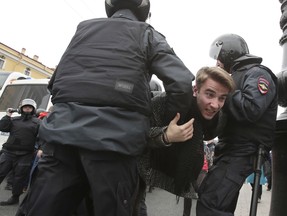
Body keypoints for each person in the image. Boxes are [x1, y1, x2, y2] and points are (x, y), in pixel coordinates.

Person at [16, 1, 194, 215]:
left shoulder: (83, 30)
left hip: (61, 140)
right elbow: (182, 83)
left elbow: (54, 84)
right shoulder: (147, 33)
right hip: (115, 147)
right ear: (144, 11)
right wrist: (166, 121)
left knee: (42, 208)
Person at [136, 66, 235, 216]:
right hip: (140, 176)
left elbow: (211, 134)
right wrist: (165, 136)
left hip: (182, 183)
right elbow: (135, 135)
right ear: (195, 90)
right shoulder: (165, 102)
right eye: (209, 94)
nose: (215, 105)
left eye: (222, 98)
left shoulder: (218, 119)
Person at [196, 33, 278, 216]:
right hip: (229, 149)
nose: (216, 61)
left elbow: (251, 108)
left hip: (244, 150)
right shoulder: (238, 76)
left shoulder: (257, 73)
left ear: (228, 52)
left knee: (211, 203)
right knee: (216, 202)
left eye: (219, 56)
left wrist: (226, 85)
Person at [0, 98, 40, 206]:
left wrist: (41, 149)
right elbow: (3, 127)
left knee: (19, 177)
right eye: (25, 107)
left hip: (25, 155)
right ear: (21, 108)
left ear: (33, 109)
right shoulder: (14, 120)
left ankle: (14, 198)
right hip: (9, 152)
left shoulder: (38, 122)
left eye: (29, 107)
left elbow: (42, 137)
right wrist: (7, 115)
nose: (27, 109)